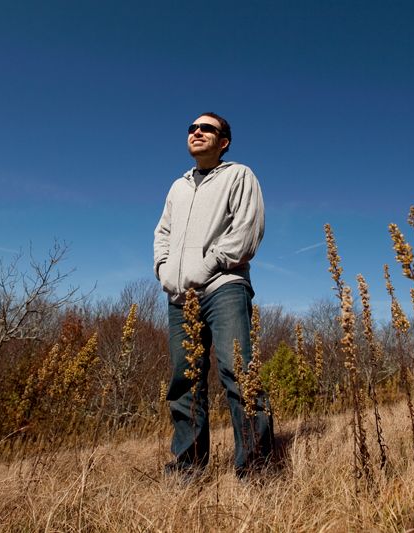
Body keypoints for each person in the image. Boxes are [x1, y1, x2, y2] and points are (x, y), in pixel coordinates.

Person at [153, 112, 273, 482]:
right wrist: (164, 270)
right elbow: (163, 233)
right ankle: (188, 468)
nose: (197, 132)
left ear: (224, 142)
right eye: (192, 128)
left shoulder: (239, 175)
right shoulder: (178, 186)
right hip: (179, 298)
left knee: (238, 372)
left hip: (224, 287)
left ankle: (255, 469)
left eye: (207, 128)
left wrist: (208, 266)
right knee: (183, 382)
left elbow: (248, 231)